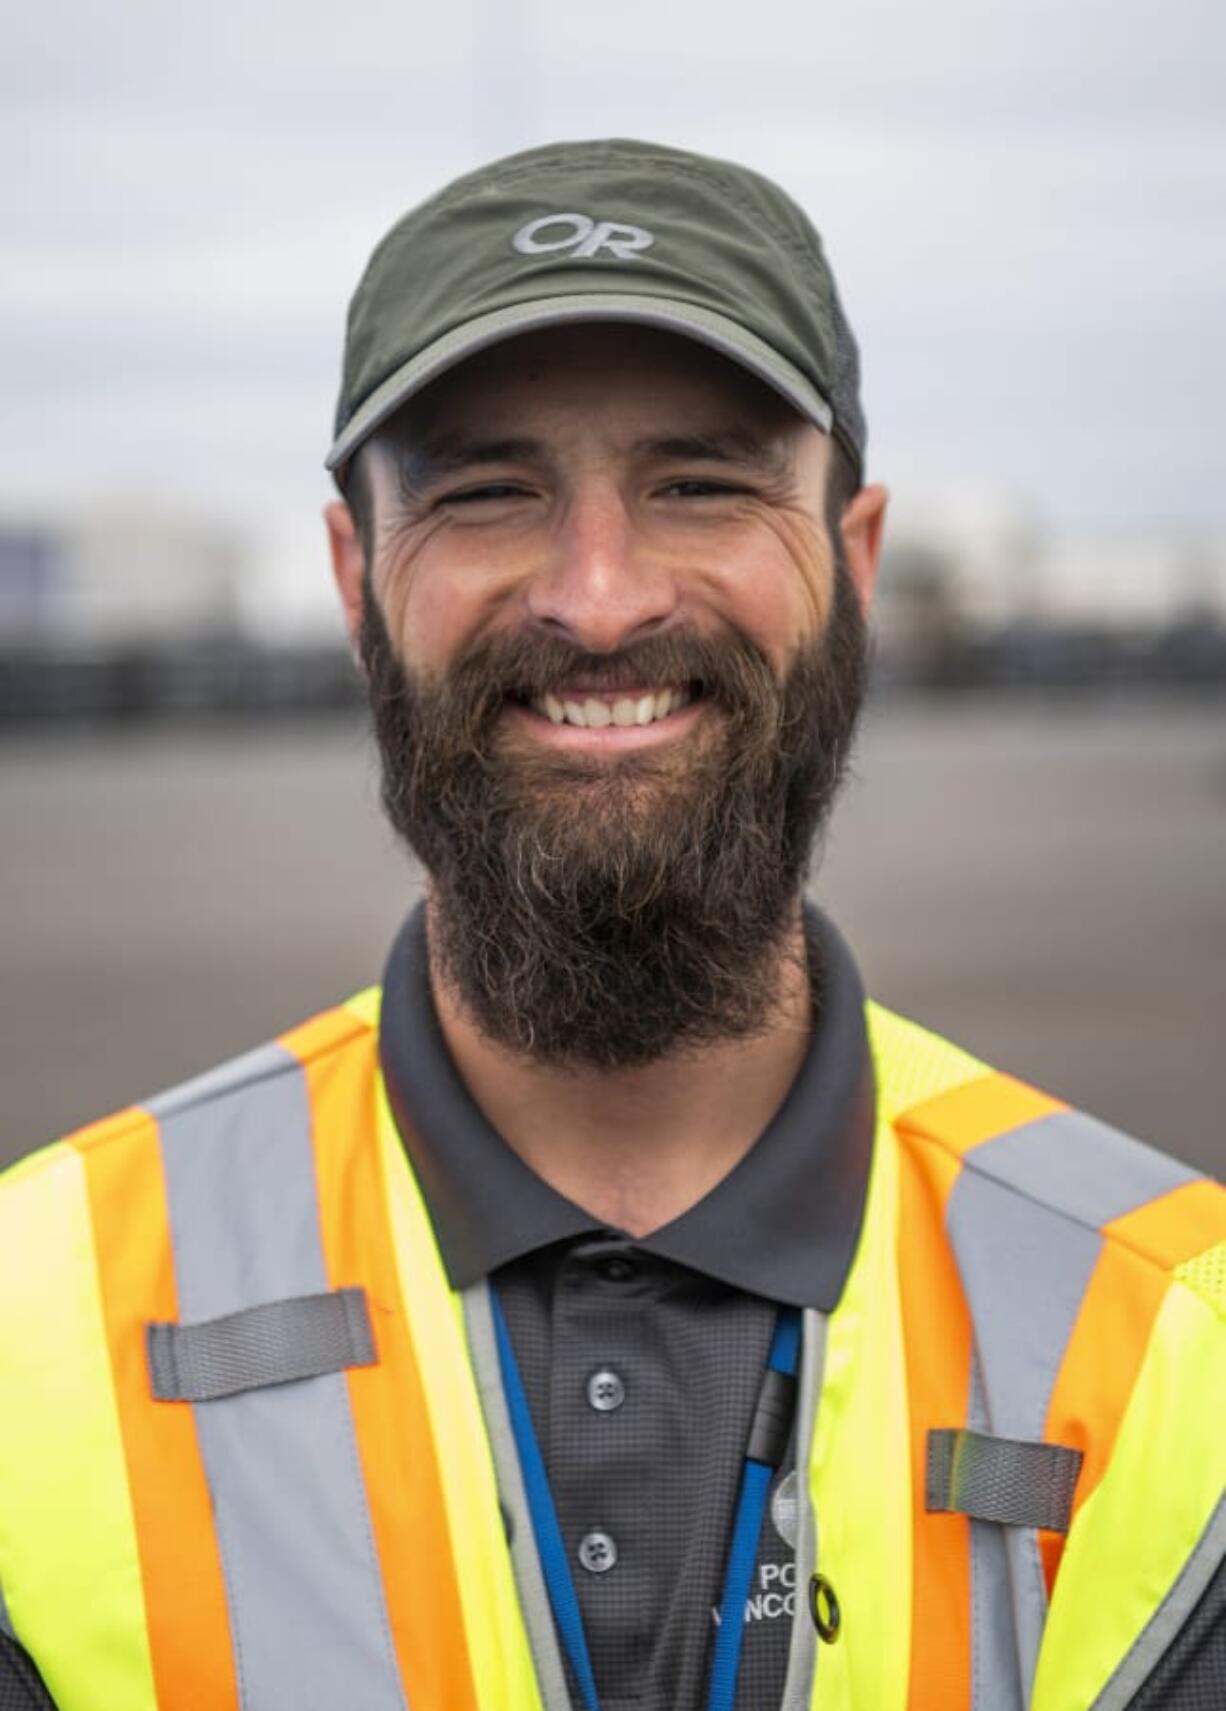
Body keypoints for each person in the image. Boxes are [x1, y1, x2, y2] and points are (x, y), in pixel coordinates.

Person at [0, 138, 1221, 1711]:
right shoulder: (33, 1324)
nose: (595, 599)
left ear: (851, 562)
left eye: (701, 483)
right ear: (353, 577)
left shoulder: (1179, 1339)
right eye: (488, 491)